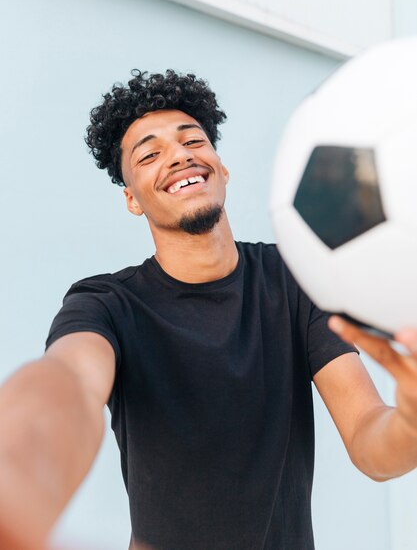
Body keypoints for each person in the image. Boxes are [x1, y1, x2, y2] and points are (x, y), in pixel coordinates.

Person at [1, 70, 417, 550]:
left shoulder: (295, 278)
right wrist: (14, 483)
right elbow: (68, 385)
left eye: (192, 141)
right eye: (150, 154)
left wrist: (409, 421)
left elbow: (369, 440)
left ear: (220, 168)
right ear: (132, 199)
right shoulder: (106, 305)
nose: (178, 156)